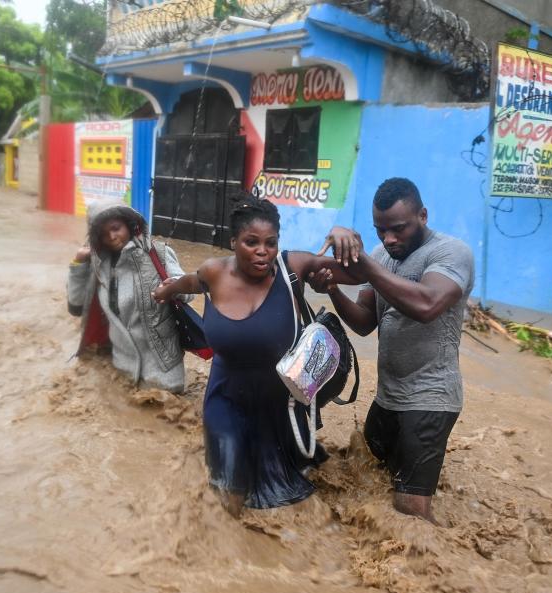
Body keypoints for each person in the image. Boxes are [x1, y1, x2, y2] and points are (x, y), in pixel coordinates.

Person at [152, 193, 364, 517]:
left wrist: (346, 237)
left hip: (280, 405)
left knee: (286, 499)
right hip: (226, 398)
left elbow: (356, 274)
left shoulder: (293, 267)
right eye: (252, 242)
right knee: (230, 488)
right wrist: (165, 291)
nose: (263, 251)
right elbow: (188, 283)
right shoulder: (214, 272)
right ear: (234, 241)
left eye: (271, 242)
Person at [311, 177, 474, 525]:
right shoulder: (383, 255)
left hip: (431, 399)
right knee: (365, 481)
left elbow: (427, 304)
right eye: (380, 230)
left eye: (398, 229)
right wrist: (333, 290)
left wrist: (366, 265)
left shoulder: (450, 253)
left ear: (423, 216)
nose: (388, 239)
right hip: (387, 399)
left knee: (410, 514)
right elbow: (366, 321)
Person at [67, 202, 189, 392]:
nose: (112, 237)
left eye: (116, 229)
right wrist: (78, 264)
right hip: (121, 371)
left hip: (162, 373)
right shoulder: (99, 266)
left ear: (129, 224)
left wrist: (173, 287)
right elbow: (75, 307)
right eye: (104, 234)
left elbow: (188, 293)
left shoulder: (158, 254)